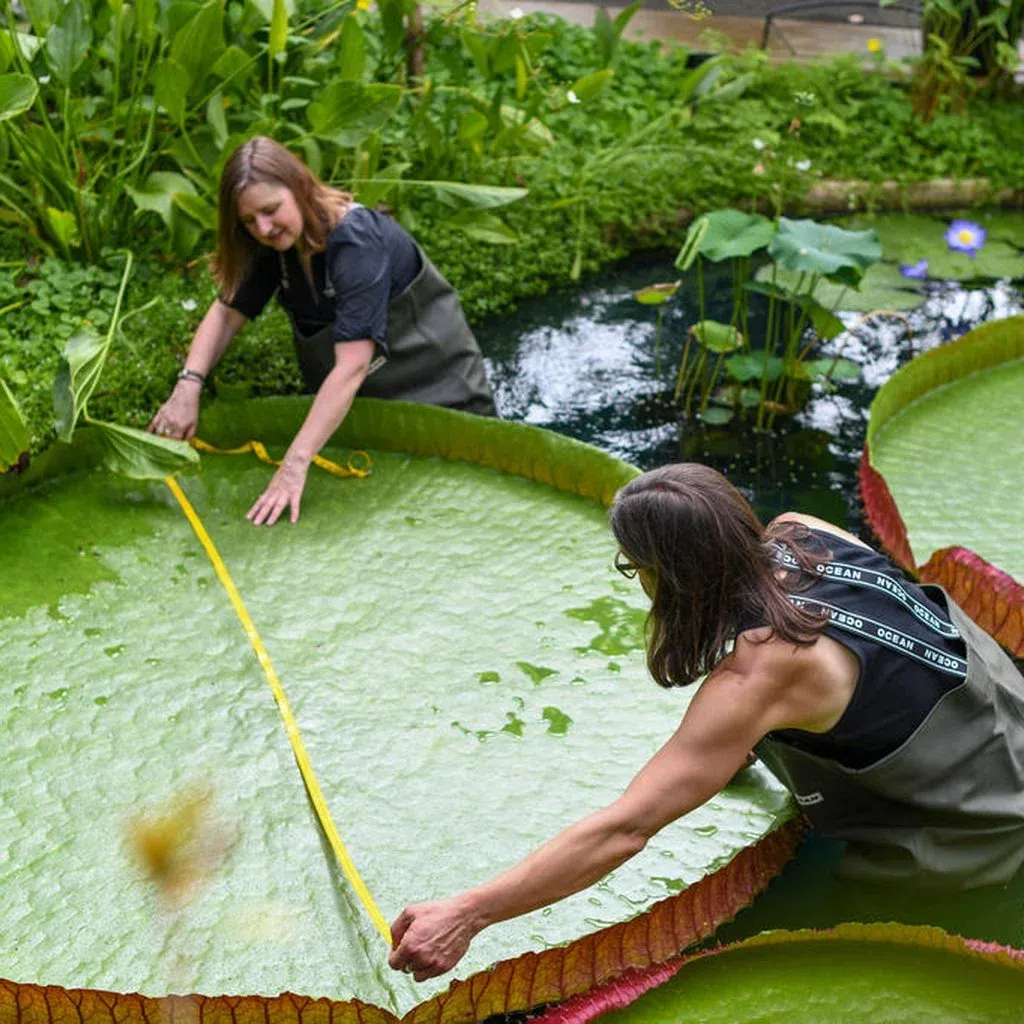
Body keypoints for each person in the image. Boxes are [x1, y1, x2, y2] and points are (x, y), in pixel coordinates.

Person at [386, 463, 1024, 981]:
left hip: (986, 831)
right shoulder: (805, 531)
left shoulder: (761, 674)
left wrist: (469, 913)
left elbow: (626, 829)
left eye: (632, 567)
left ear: (669, 575)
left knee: (814, 969)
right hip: (1007, 727)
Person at [148, 136, 496, 526]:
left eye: (271, 210)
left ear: (299, 189)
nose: (263, 227)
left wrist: (294, 465)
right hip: (355, 418)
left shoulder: (356, 240)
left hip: (441, 397)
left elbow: (351, 365)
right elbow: (228, 313)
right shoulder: (272, 242)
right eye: (248, 220)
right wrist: (188, 386)